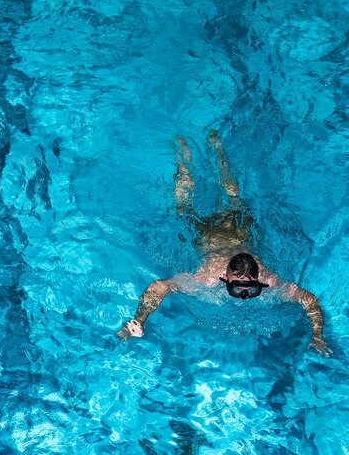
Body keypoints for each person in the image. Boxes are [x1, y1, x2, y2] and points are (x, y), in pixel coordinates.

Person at [117, 130, 331, 356]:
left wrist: (318, 336)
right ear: (224, 278)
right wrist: (139, 319)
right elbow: (160, 286)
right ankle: (185, 158)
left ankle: (216, 147)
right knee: (188, 208)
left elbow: (308, 300)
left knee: (233, 196)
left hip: (236, 230)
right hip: (206, 233)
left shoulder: (268, 279)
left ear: (259, 279)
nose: (244, 296)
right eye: (238, 288)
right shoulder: (207, 277)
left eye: (251, 289)